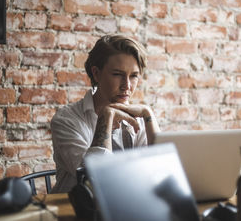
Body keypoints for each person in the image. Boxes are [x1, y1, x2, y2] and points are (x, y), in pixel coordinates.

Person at [50, 35, 161, 193]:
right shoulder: (67, 120)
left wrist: (148, 113)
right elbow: (94, 180)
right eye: (117, 74)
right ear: (96, 73)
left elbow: (163, 170)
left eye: (134, 76)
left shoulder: (139, 117)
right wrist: (106, 117)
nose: (127, 86)